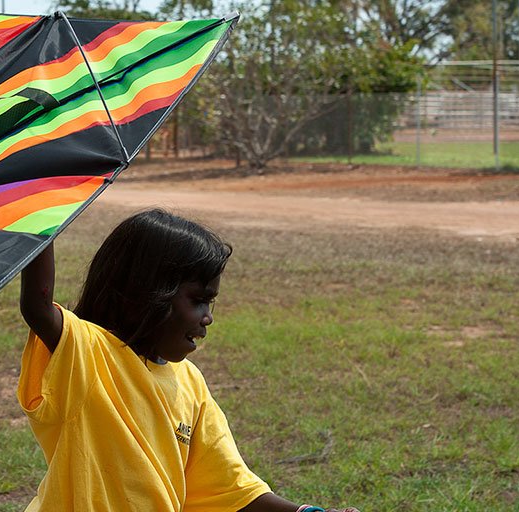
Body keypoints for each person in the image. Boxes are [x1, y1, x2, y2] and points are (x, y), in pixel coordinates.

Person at [18, 208, 358, 512]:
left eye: (210, 304)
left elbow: (231, 489)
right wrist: (44, 204)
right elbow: (37, 305)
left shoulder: (190, 383)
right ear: (147, 291)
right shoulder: (86, 352)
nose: (207, 317)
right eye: (198, 300)